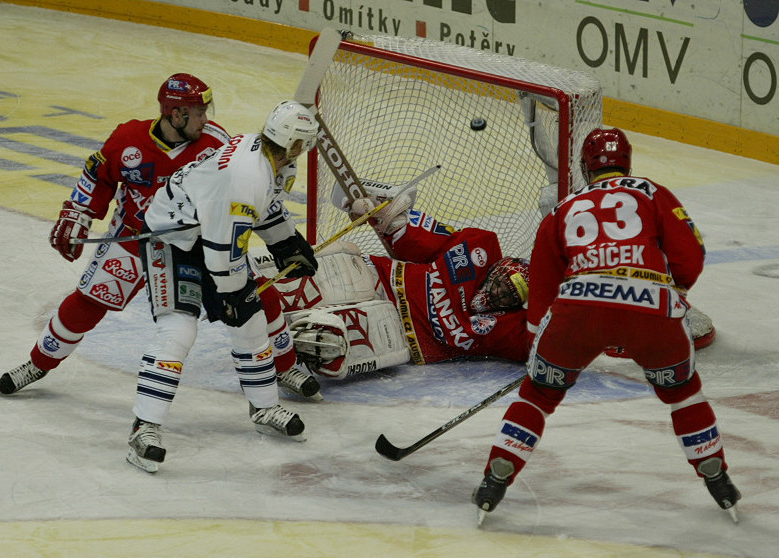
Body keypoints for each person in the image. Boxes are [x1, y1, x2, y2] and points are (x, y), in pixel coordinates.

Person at [472, 127, 741, 522]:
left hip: (579, 306)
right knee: (683, 393)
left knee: (538, 396)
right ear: (626, 162)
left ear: (586, 165)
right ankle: (716, 475)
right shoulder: (652, 192)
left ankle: (497, 477)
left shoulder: (563, 208)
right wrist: (671, 293)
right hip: (650, 305)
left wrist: (538, 350)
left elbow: (543, 286)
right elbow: (691, 255)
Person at [0, 74, 318, 401]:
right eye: (199, 113)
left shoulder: (216, 142)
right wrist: (77, 213)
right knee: (90, 301)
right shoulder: (128, 139)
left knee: (257, 296)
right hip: (133, 240)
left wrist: (280, 238)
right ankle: (38, 363)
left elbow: (249, 192)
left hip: (198, 244)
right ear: (176, 115)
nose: (206, 119)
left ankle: (284, 365)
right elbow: (98, 176)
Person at [126, 100, 320, 472]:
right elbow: (222, 251)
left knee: (250, 321)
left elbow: (263, 206)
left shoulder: (267, 157)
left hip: (207, 231)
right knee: (179, 329)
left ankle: (263, 408)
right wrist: (231, 293)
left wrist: (285, 242)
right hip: (172, 240)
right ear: (296, 143)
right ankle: (144, 427)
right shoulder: (246, 176)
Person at [257, 183, 532, 380]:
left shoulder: (511, 328)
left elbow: (553, 344)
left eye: (507, 297)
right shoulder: (479, 247)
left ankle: (279, 353)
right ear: (497, 268)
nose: (496, 295)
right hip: (381, 278)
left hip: (396, 336)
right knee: (291, 283)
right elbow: (420, 241)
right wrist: (387, 216)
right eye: (499, 285)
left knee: (324, 342)